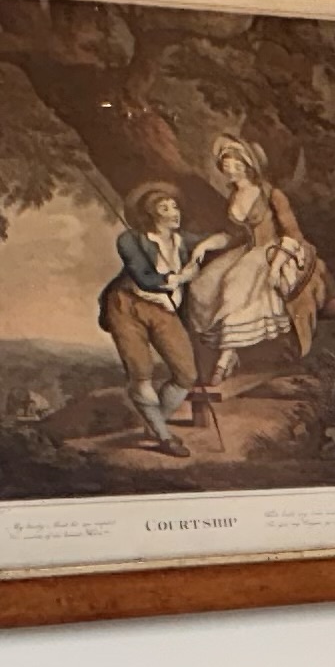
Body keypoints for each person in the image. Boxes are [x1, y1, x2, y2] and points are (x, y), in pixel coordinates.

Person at [185, 134, 323, 383]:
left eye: (235, 163)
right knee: (202, 285)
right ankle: (228, 354)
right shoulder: (234, 197)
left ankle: (226, 357)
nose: (229, 168)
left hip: (276, 249)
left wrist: (277, 264)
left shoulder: (271, 194)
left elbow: (293, 234)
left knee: (234, 283)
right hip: (248, 250)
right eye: (226, 163)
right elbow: (232, 234)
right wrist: (204, 246)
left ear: (248, 165)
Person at [95, 181, 207, 455]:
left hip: (164, 308)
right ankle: (164, 437)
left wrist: (204, 248)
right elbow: (145, 278)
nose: (173, 212)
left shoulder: (183, 240)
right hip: (126, 306)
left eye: (174, 206)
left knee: (186, 374)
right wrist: (181, 277)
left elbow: (224, 238)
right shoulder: (130, 240)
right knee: (141, 373)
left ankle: (155, 424)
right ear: (151, 214)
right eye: (164, 208)